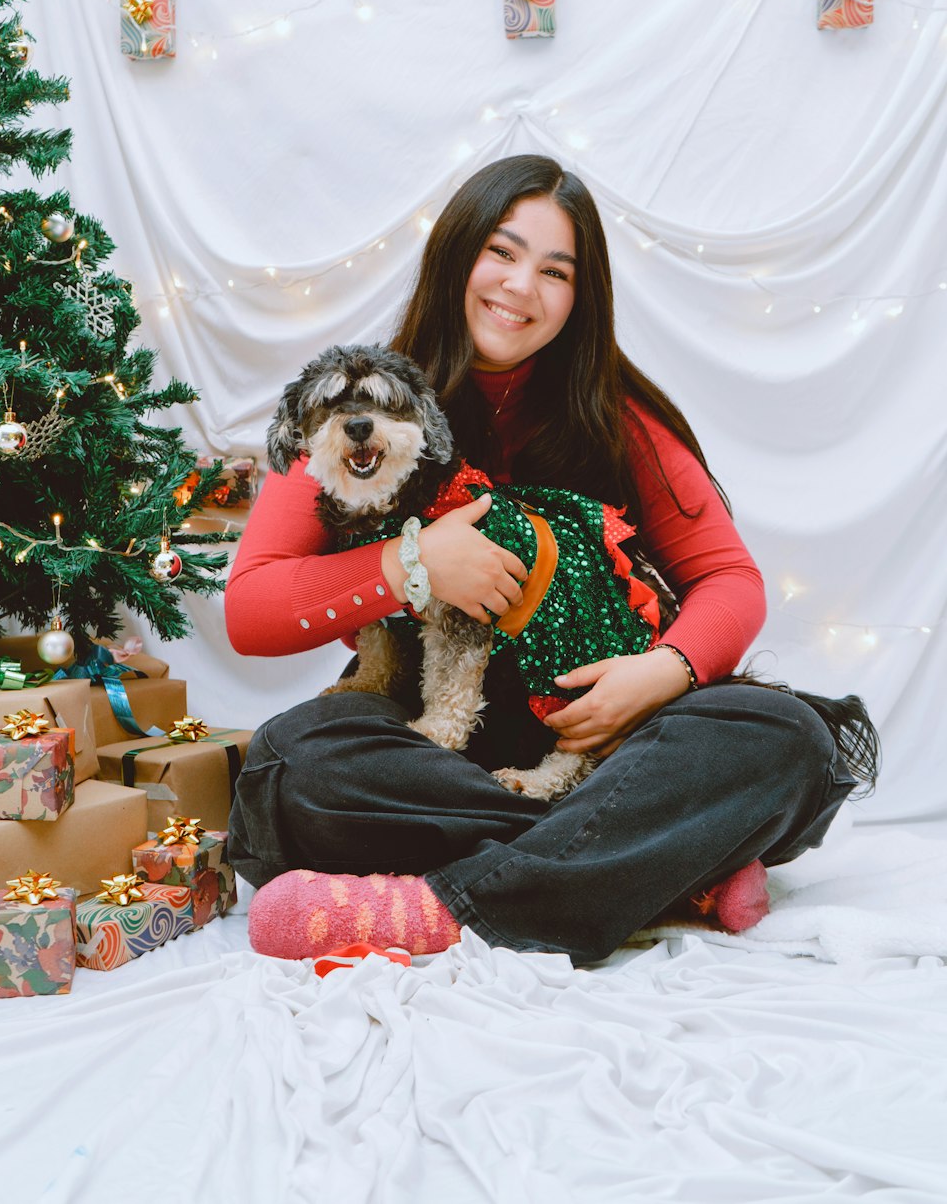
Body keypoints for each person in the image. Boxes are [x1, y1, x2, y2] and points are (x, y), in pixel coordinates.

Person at [225, 155, 869, 966]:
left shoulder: (612, 413)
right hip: (440, 752)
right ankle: (667, 864)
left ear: (580, 297)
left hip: (606, 742)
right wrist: (413, 564)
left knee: (789, 740)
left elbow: (730, 581)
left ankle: (444, 911)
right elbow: (250, 611)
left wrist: (664, 672)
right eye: (502, 251)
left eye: (555, 271)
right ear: (457, 252)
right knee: (292, 765)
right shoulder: (362, 403)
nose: (520, 286)